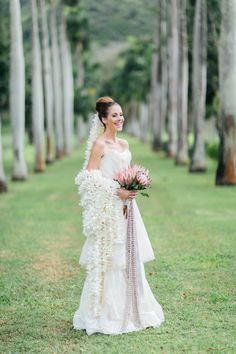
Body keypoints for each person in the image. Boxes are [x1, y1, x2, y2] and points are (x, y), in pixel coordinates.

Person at [73, 96, 164, 335]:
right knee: (113, 256)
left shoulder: (124, 145)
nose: (119, 118)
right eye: (114, 115)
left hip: (129, 208)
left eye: (121, 114)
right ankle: (108, 314)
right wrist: (117, 190)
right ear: (103, 119)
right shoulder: (100, 144)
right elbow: (89, 178)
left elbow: (124, 170)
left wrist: (134, 184)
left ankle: (135, 309)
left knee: (130, 254)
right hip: (110, 209)